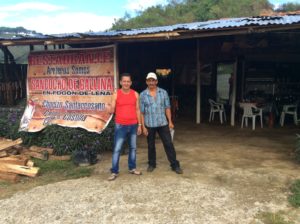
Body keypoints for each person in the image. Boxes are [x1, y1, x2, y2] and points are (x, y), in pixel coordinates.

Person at [140, 72, 183, 174]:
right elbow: (142, 112)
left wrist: (170, 121)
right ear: (146, 82)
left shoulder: (163, 93)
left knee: (168, 144)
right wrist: (143, 127)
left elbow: (167, 108)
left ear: (156, 81)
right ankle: (151, 164)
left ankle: (174, 165)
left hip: (163, 123)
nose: (151, 82)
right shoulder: (142, 95)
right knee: (151, 145)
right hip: (149, 124)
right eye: (149, 80)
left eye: (153, 80)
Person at [108, 73, 142, 181]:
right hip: (120, 125)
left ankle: (132, 168)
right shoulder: (116, 94)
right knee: (117, 149)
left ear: (131, 83)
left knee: (133, 148)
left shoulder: (136, 94)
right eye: (124, 81)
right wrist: (108, 108)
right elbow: (112, 109)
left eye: (128, 81)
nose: (126, 83)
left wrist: (140, 125)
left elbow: (138, 110)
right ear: (120, 82)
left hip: (133, 125)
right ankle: (114, 171)